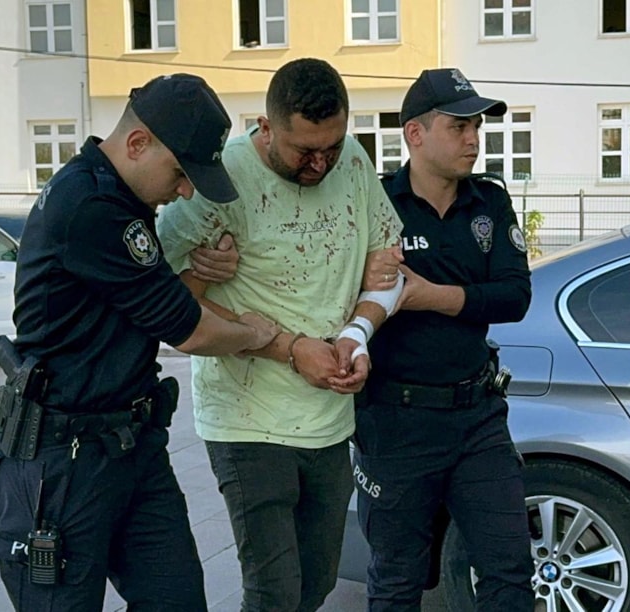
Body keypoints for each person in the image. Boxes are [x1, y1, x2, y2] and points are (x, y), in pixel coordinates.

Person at [0, 73, 281, 612]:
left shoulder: (119, 195)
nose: (185, 191)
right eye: (181, 173)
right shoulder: (92, 204)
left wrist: (198, 276)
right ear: (138, 143)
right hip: (64, 462)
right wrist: (256, 332)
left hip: (129, 446)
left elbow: (136, 309)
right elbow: (188, 330)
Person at [156, 58, 403, 611]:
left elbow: (387, 267)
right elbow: (164, 303)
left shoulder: (353, 160)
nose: (320, 164)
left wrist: (358, 334)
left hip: (330, 421)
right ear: (265, 128)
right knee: (274, 593)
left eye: (331, 147)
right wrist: (288, 349)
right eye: (304, 151)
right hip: (246, 420)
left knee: (316, 584)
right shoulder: (219, 178)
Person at [351, 68, 535, 611]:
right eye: (459, 127)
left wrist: (431, 295)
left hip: (477, 419)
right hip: (396, 424)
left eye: (477, 127)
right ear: (415, 133)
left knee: (509, 572)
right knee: (396, 581)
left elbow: (514, 297)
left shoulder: (489, 202)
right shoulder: (376, 203)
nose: (473, 139)